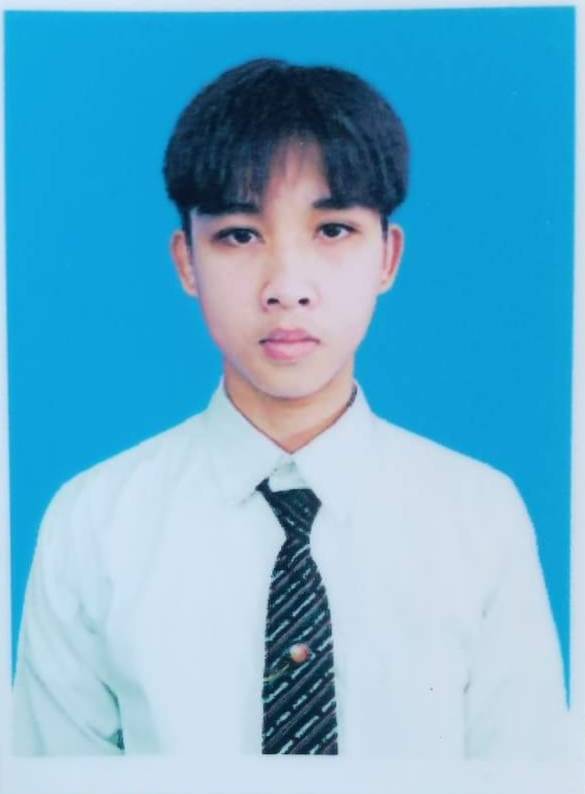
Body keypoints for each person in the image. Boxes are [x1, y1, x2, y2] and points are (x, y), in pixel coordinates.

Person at [13, 58, 567, 758]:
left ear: (387, 257)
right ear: (186, 262)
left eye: (331, 230)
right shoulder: (93, 523)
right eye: (240, 235)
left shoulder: (479, 515)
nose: (286, 286)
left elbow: (527, 773)